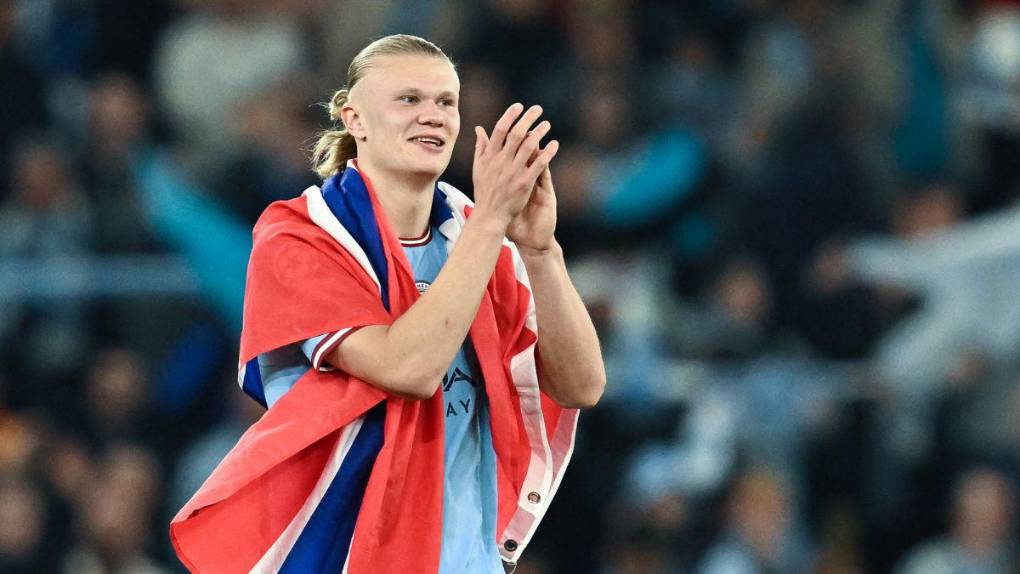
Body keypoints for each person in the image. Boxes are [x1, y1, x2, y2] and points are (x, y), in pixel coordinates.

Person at [170, 34, 605, 573]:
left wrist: (540, 250)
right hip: (346, 557)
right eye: (408, 99)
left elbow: (582, 384)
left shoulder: (472, 236)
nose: (433, 116)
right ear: (355, 119)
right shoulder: (302, 236)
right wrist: (492, 223)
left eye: (446, 101)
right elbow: (409, 367)